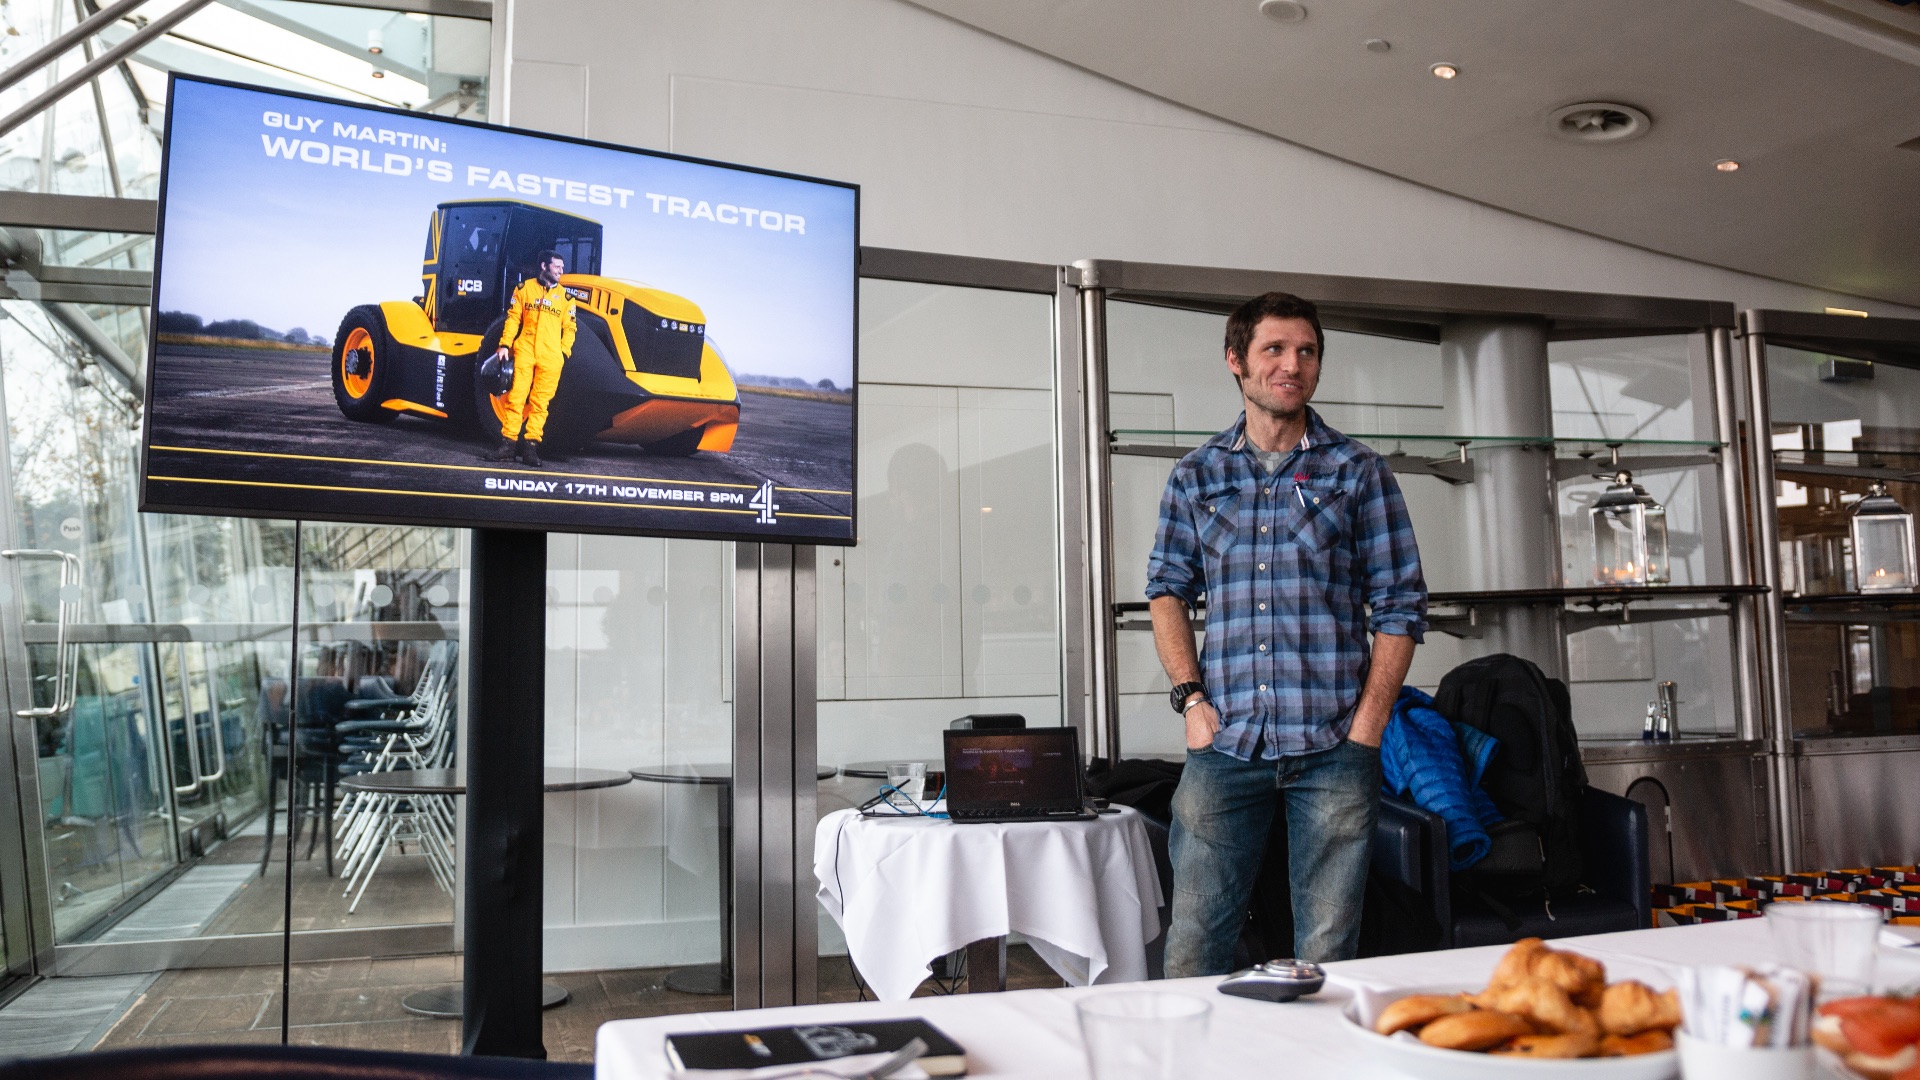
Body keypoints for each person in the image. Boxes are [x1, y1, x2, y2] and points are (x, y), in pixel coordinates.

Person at [1146, 290, 1427, 972]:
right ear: (1236, 361)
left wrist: (1370, 723)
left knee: (1328, 953)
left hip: (1335, 746)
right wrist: (1191, 701)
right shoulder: (1197, 476)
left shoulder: (1359, 472)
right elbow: (1166, 590)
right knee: (1193, 946)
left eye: (1306, 351)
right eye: (1274, 349)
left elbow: (1401, 602)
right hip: (1226, 744)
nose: (1291, 365)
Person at [487, 249, 575, 468]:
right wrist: (505, 344)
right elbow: (513, 319)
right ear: (544, 266)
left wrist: (563, 352)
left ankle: (531, 448)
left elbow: (570, 328)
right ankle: (507, 446)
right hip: (525, 351)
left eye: (562, 268)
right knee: (516, 398)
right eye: (557, 267)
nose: (561, 271)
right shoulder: (524, 289)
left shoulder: (566, 298)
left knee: (540, 404)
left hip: (551, 356)